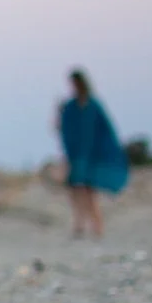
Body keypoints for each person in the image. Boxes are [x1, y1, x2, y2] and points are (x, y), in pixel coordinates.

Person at [57, 68, 127, 239]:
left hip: (90, 156)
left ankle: (97, 226)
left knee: (89, 191)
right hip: (76, 155)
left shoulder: (93, 105)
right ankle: (79, 224)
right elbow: (65, 129)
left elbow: (105, 130)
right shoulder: (71, 106)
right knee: (75, 190)